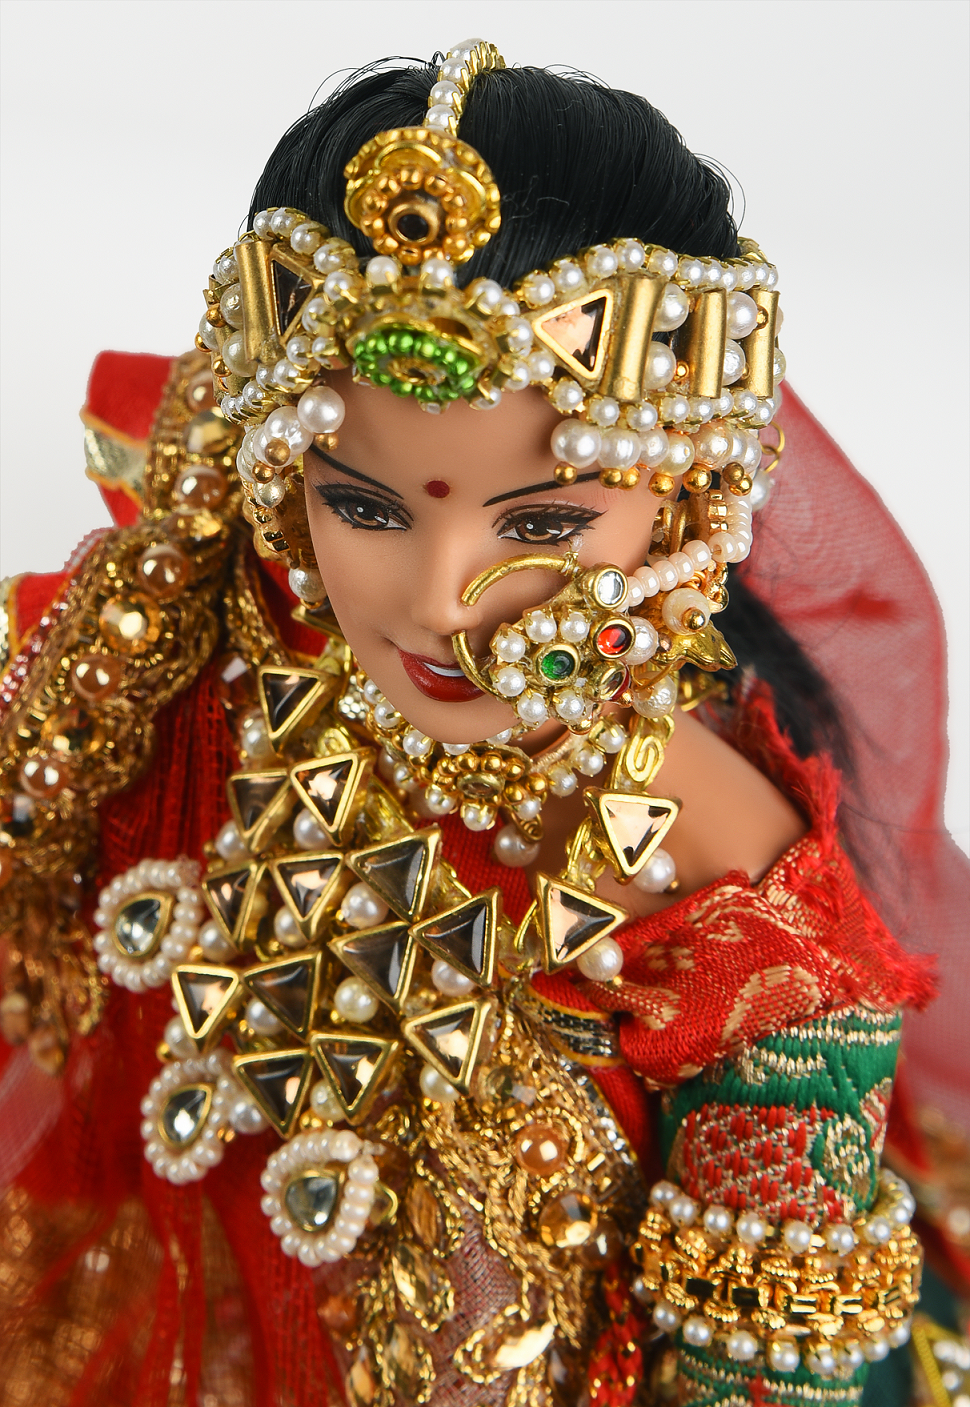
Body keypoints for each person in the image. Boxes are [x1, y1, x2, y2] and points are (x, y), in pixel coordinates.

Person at [1, 40, 967, 1407]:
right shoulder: (213, 640)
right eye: (365, 506)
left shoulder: (733, 896)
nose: (438, 599)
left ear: (683, 502)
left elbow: (771, 1354)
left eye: (544, 525)